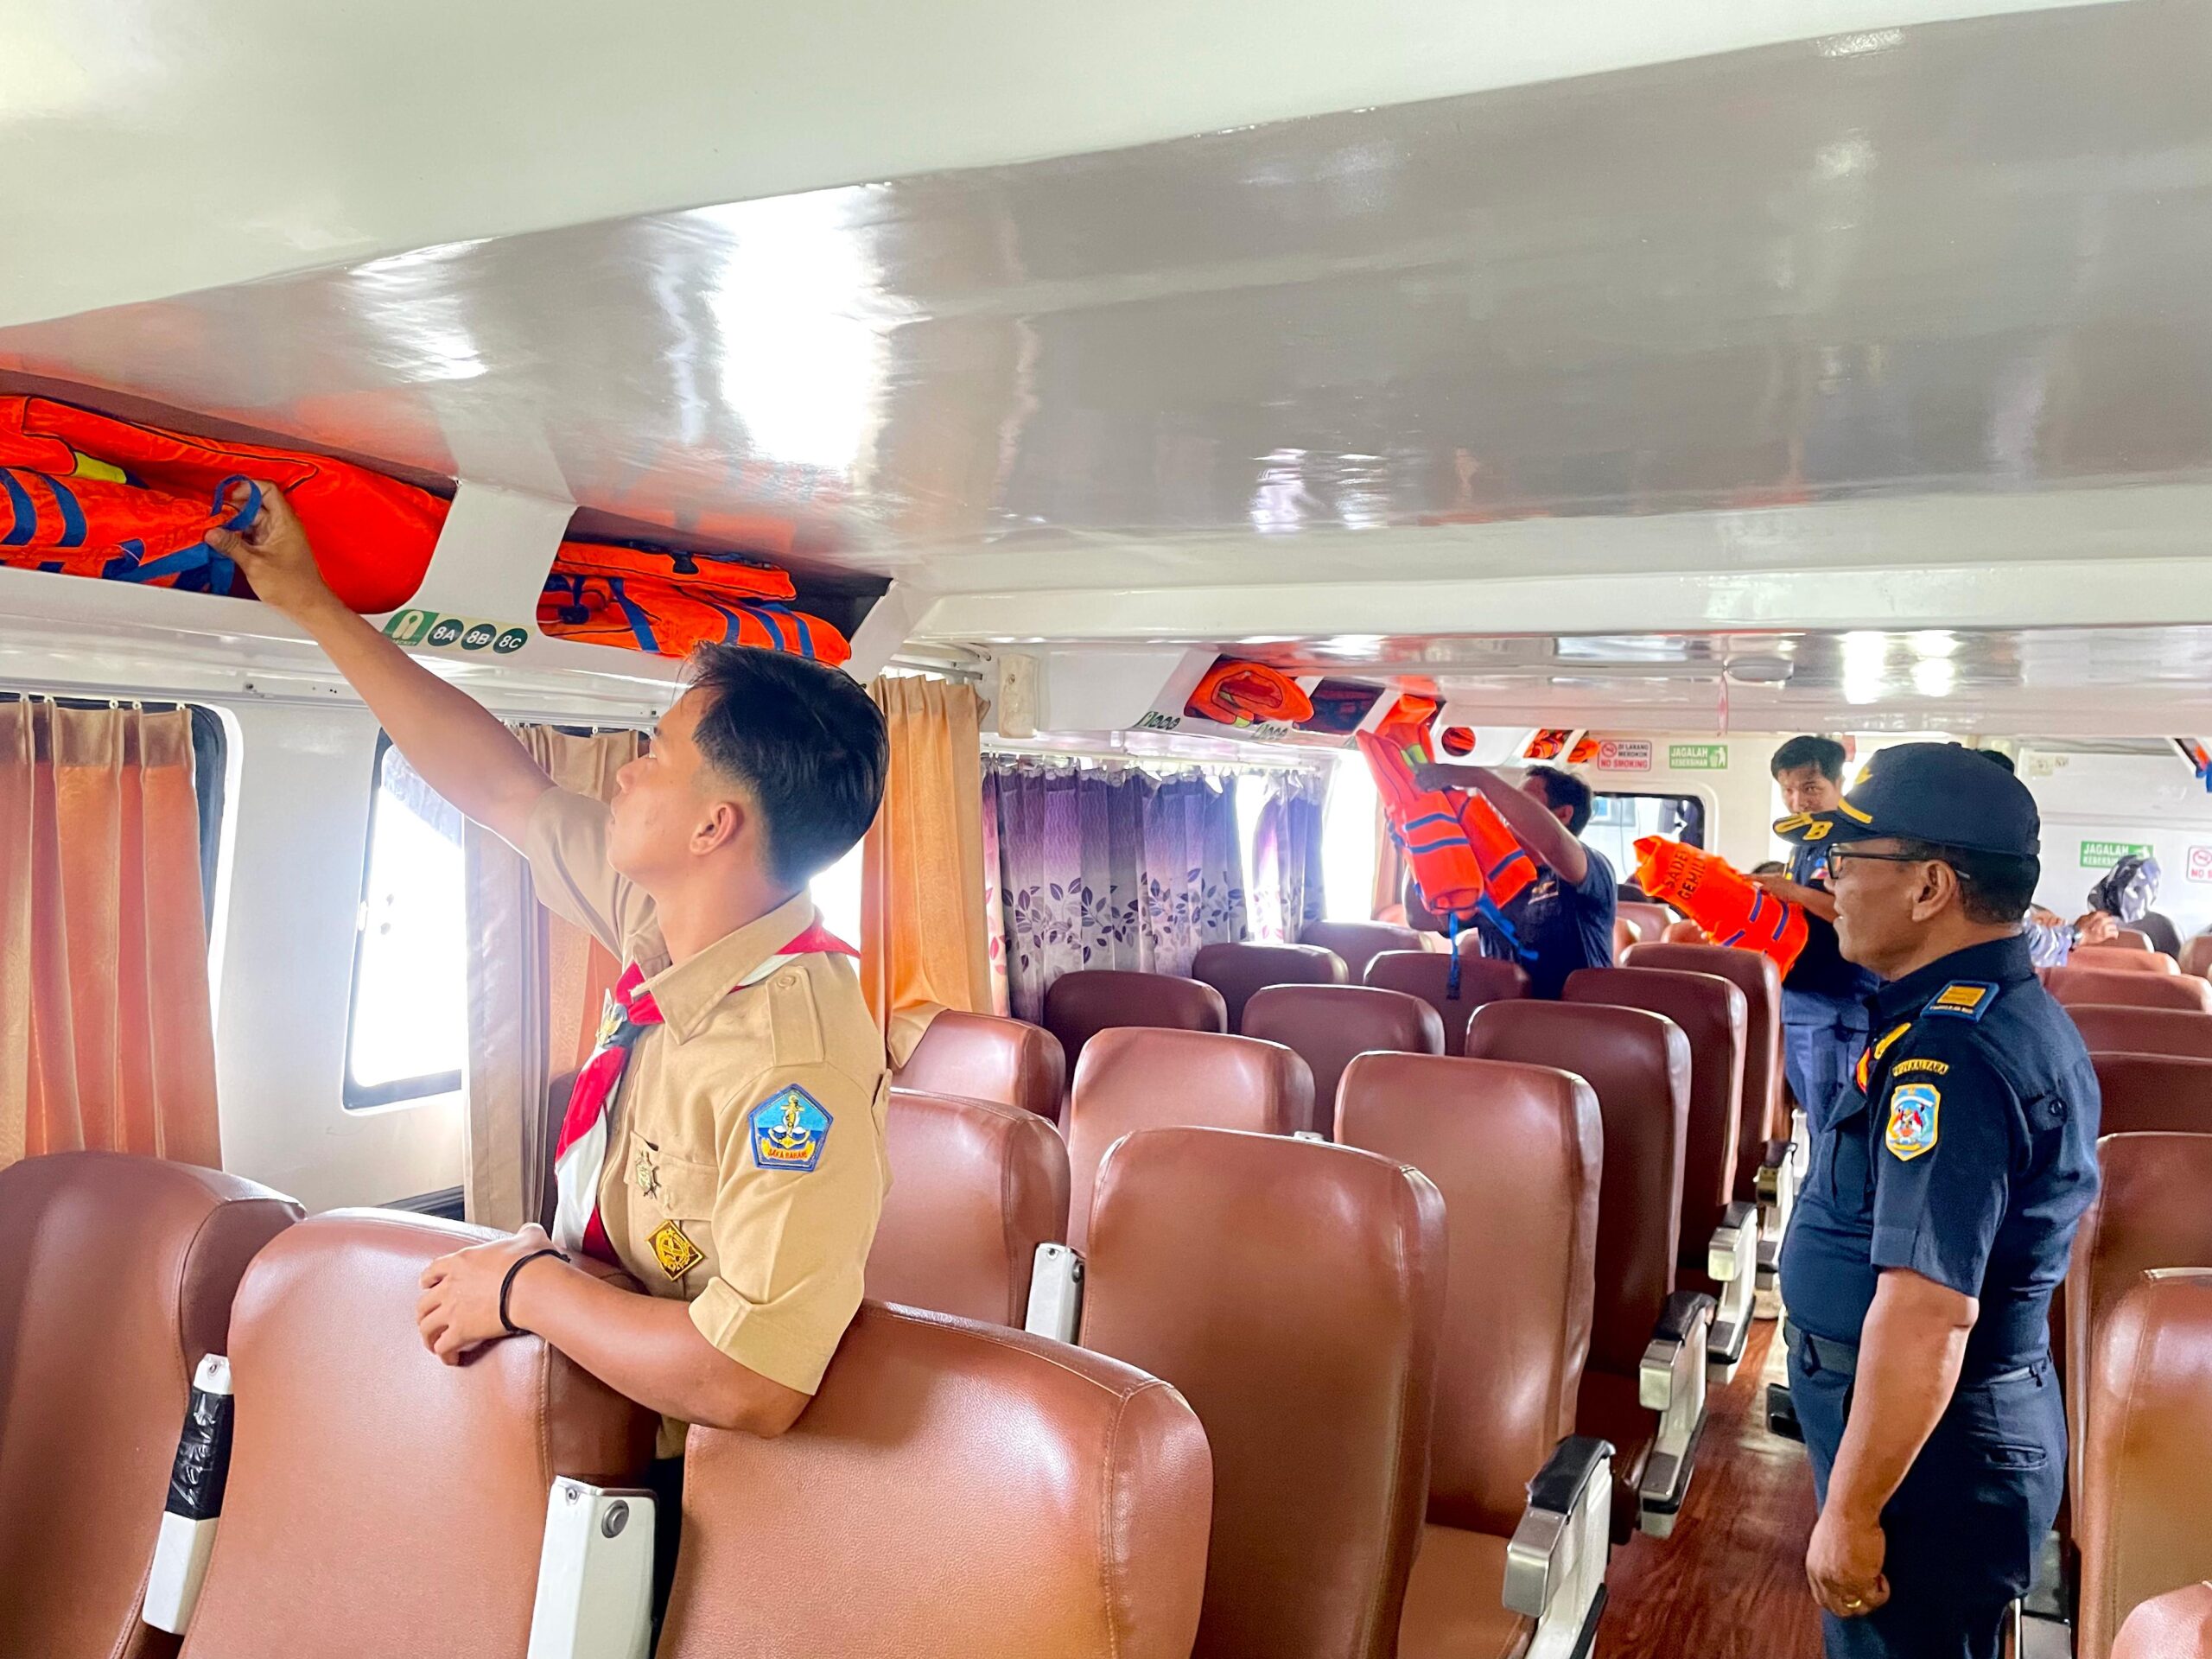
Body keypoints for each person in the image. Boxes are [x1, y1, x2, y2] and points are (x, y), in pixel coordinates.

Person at [207, 486, 892, 1609]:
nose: (625, 771)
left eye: (656, 753)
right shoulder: (661, 922)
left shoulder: (795, 1064)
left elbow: (751, 1381)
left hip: (688, 1499)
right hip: (576, 1414)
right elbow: (497, 787)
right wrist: (314, 606)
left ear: (716, 825)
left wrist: (527, 1289)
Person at [1773, 742, 2100, 1659]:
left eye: (1845, 860)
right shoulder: (1969, 1014)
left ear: (1929, 888)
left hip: (1932, 1455)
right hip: (1929, 1434)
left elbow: (1927, 1311)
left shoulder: (1952, 1057)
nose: (1826, 879)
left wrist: (1852, 1512)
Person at [1408, 760, 1617, 997]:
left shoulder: (1592, 867)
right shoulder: (1490, 876)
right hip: (1503, 1013)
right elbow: (1421, 918)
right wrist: (1423, 838)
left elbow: (1554, 844)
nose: (1505, 810)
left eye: (1523, 798)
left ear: (1563, 814)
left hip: (1576, 1015)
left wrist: (1481, 778)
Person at [1754, 737, 1881, 1122]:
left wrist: (1793, 892)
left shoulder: (1850, 843)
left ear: (1839, 784)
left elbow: (1857, 913)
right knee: (1813, 1112)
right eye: (1788, 790)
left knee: (1834, 1117)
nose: (1798, 801)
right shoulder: (1804, 844)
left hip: (1838, 1003)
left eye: (1810, 788)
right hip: (1800, 998)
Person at [1974, 750, 2117, 966]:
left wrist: (2032, 916)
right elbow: (2020, 943)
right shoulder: (1983, 855)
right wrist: (2076, 935)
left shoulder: (1933, 837)